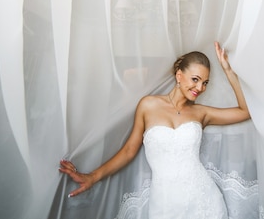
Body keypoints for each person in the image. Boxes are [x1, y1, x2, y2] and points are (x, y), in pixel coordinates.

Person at [58, 41, 251, 218]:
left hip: (205, 201)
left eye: (205, 82)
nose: (200, 87)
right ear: (179, 75)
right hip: (165, 204)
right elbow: (128, 151)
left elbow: (245, 111)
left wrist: (228, 70)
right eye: (195, 79)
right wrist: (92, 177)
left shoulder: (201, 113)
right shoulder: (148, 105)